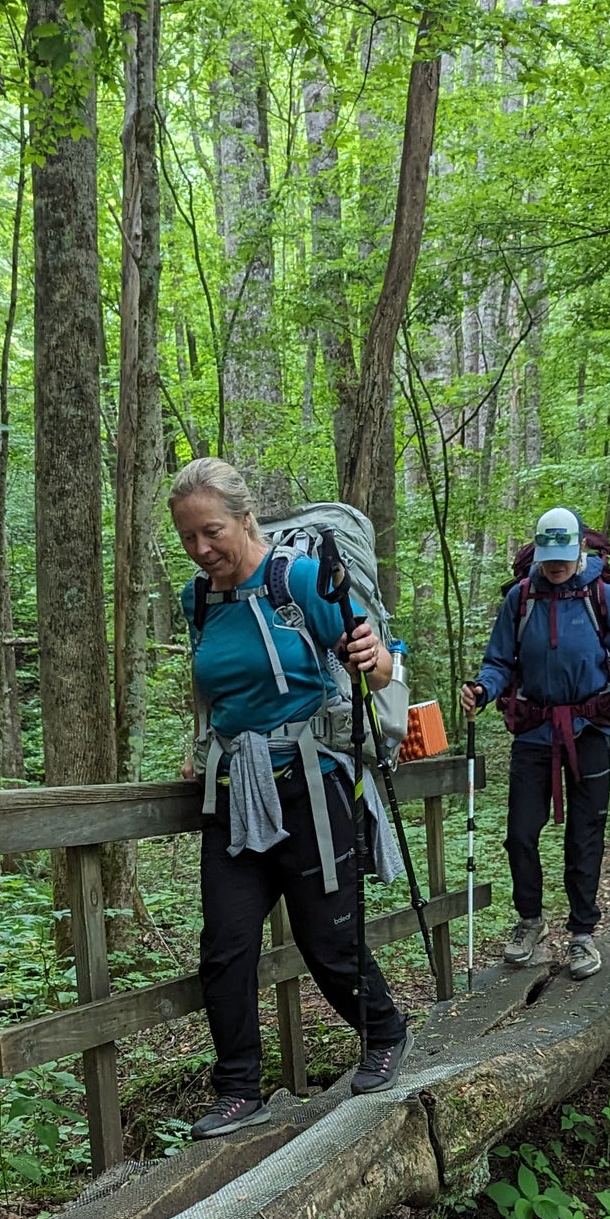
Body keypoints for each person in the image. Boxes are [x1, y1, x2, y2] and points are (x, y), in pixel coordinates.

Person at [169, 456, 409, 1138]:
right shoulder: (200, 599)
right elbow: (212, 683)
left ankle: (385, 1032)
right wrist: (201, 741)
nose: (202, 549)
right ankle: (240, 1088)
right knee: (226, 944)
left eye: (211, 531)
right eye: (189, 537)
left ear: (246, 519)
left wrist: (375, 656)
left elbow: (384, 659)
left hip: (310, 783)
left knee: (326, 938)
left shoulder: (298, 578)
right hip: (234, 792)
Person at [459, 505, 610, 978]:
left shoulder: (601, 594)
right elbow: (498, 661)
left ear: (581, 546)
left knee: (584, 836)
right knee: (520, 832)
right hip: (535, 730)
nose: (556, 565)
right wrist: (483, 690)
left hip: (590, 728)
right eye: (548, 556)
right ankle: (530, 920)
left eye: (563, 555)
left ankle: (582, 934)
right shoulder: (521, 598)